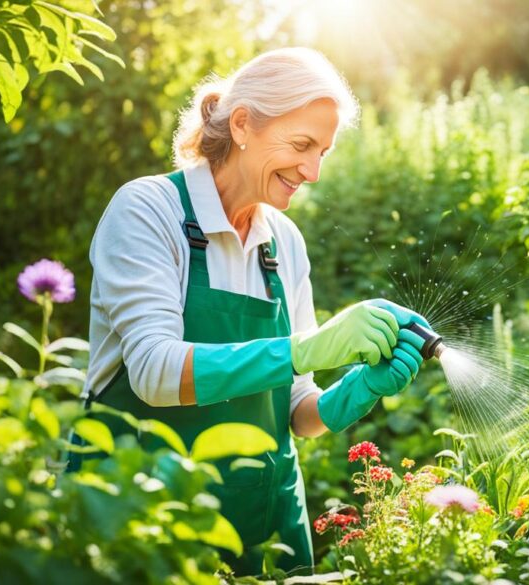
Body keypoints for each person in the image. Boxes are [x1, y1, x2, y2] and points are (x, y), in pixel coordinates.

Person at [75, 48, 430, 576]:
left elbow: (297, 411)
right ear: (242, 124)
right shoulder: (148, 210)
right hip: (141, 518)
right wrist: (308, 347)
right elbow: (153, 372)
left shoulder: (283, 242)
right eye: (302, 144)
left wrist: (362, 387)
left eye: (324, 152)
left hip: (262, 527)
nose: (312, 171)